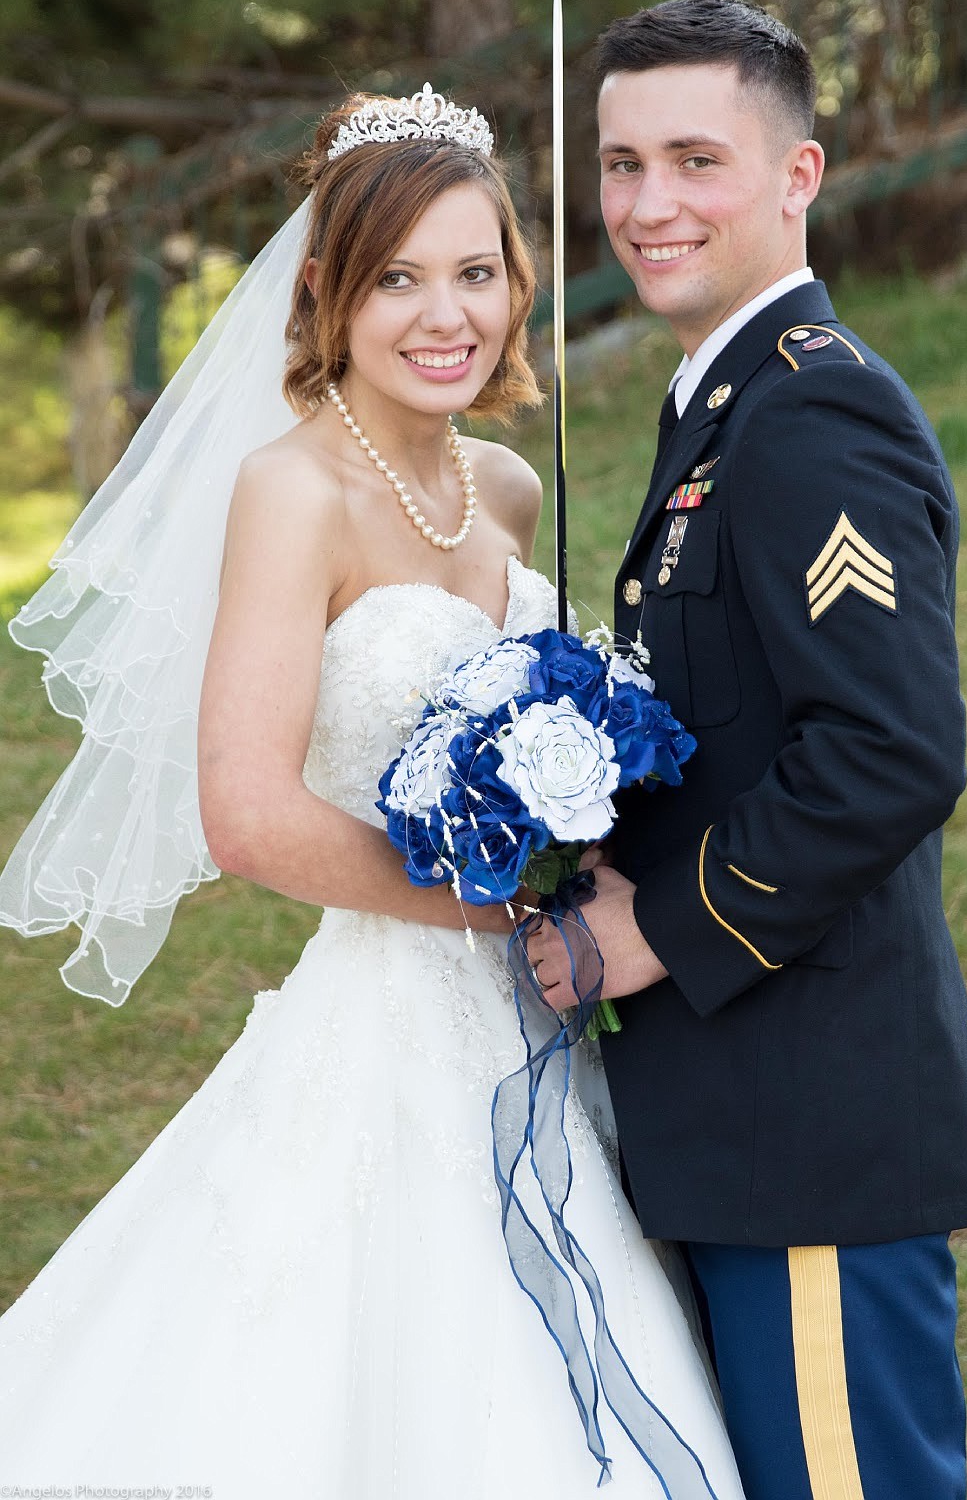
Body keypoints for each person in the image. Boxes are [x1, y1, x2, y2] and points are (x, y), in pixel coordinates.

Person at [0, 88, 746, 1498]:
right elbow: (250, 814)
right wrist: (511, 911)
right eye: (397, 277)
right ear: (328, 291)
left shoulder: (509, 487)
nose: (442, 313)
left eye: (474, 272)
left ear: (517, 283)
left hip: (547, 1015)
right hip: (398, 1010)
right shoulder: (293, 492)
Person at [534, 0, 967, 1500]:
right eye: (619, 166)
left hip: (810, 1125)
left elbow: (885, 754)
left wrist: (649, 935)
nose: (647, 205)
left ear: (797, 175)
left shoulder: (810, 417)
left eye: (695, 160)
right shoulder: (721, 410)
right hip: (741, 1124)